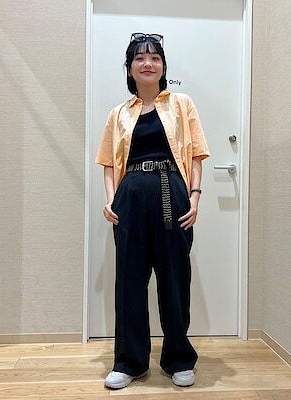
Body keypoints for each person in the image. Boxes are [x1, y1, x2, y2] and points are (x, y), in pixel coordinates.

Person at [95, 32, 210, 389]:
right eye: (140, 58)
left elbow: (196, 154)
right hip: (130, 196)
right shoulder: (119, 113)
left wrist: (194, 197)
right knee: (129, 280)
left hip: (170, 191)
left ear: (163, 66)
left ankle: (178, 358)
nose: (148, 63)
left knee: (175, 278)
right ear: (130, 68)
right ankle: (130, 362)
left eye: (155, 57)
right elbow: (108, 162)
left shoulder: (182, 104)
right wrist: (110, 199)